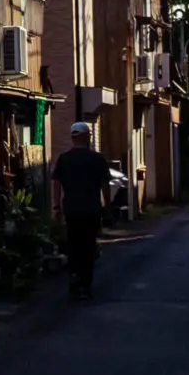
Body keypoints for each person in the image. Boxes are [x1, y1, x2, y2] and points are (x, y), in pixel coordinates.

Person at [52, 121, 110, 300]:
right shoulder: (97, 159)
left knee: (73, 245)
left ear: (72, 137)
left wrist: (56, 207)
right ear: (87, 137)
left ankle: (74, 281)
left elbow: (56, 182)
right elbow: (105, 184)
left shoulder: (64, 159)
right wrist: (107, 206)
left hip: (71, 209)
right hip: (91, 208)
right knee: (88, 246)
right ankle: (85, 285)